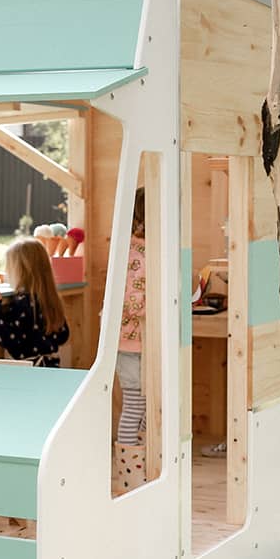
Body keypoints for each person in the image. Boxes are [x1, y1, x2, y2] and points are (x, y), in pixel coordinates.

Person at [0, 237, 69, 367]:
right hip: (52, 366)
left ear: (19, 271)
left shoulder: (23, 302)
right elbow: (63, 336)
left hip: (29, 371)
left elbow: (8, 339)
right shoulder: (50, 299)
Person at [114, 187, 146, 492]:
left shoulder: (129, 248)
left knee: (144, 404)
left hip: (132, 342)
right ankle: (129, 476)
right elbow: (134, 300)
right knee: (136, 404)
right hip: (132, 342)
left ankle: (139, 472)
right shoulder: (141, 252)